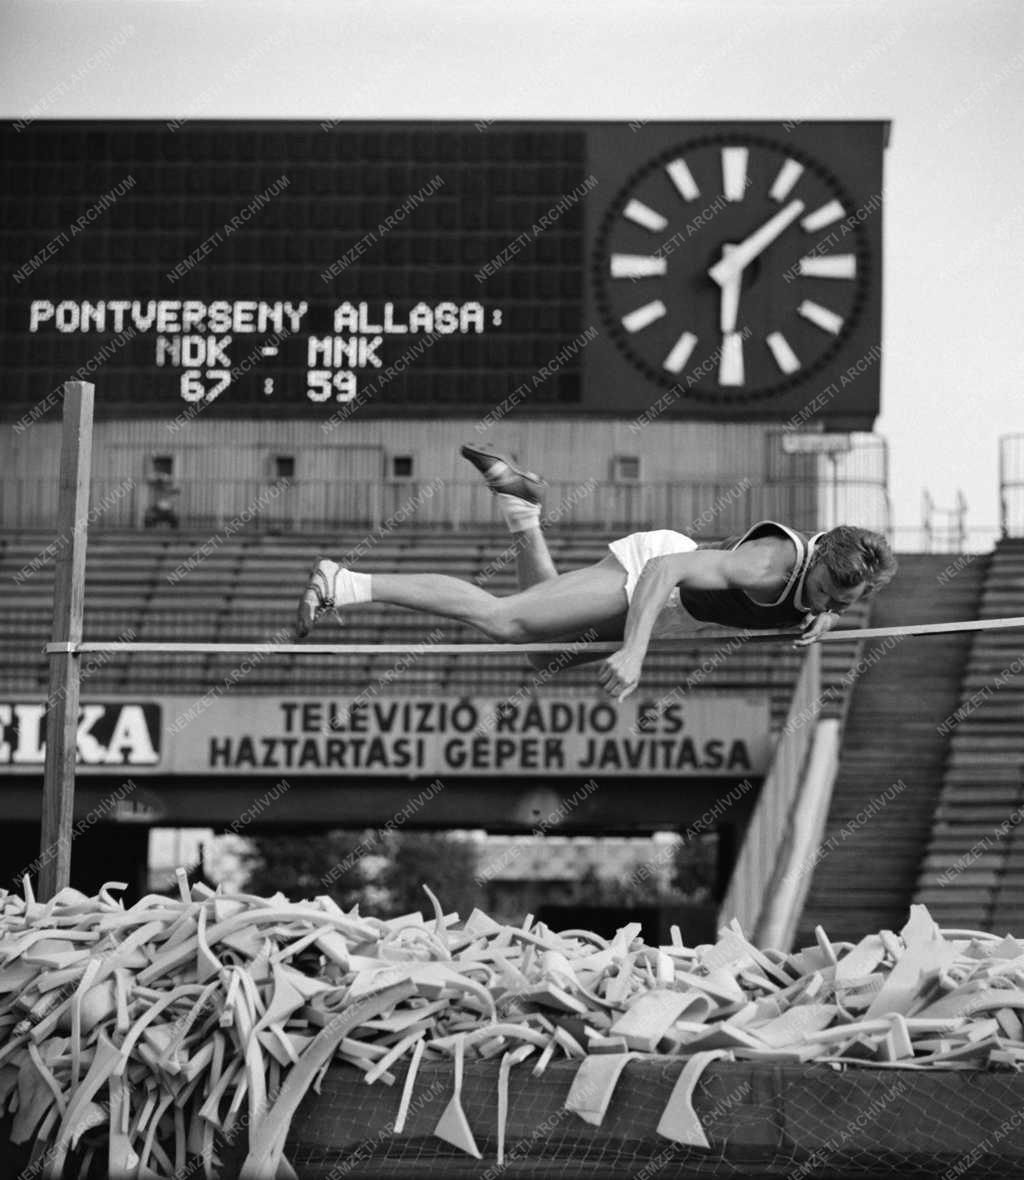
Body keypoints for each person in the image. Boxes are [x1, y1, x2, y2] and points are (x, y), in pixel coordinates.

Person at [296, 445, 897, 700]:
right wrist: (634, 654)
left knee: (540, 656)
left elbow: (845, 590)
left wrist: (828, 611)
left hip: (671, 614)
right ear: (816, 556)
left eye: (840, 596)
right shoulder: (771, 561)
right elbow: (666, 569)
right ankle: (343, 582)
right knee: (505, 622)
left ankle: (522, 507)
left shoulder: (840, 575)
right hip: (651, 580)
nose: (823, 598)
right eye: (821, 588)